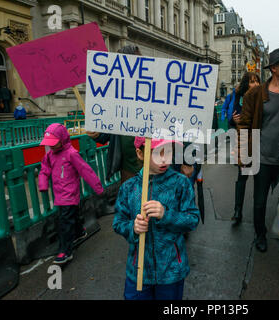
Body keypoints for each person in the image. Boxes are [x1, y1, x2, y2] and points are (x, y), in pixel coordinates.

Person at [113, 137, 200, 300]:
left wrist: (166, 215)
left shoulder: (180, 183)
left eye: (168, 152)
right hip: (138, 270)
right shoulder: (129, 187)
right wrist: (133, 227)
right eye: (156, 153)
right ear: (140, 153)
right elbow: (118, 222)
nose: (164, 159)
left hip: (171, 271)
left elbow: (192, 219)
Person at [238, 47, 279, 252]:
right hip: (262, 157)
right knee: (260, 201)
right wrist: (243, 151)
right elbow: (245, 124)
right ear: (274, 68)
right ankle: (260, 234)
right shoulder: (255, 94)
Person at [38, 123, 104, 264]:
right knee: (72, 216)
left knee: (65, 222)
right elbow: (44, 169)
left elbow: (85, 170)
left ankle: (65, 251)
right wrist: (43, 184)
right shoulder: (50, 155)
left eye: (54, 143)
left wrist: (97, 187)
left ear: (62, 139)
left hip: (69, 194)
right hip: (60, 194)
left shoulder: (71, 153)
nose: (51, 146)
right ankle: (79, 232)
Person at [86, 45, 144, 184]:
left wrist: (185, 162)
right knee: (131, 202)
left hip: (156, 165)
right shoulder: (115, 96)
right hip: (128, 169)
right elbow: (106, 134)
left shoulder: (156, 94)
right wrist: (97, 134)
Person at [228, 72, 261, 226]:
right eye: (251, 82)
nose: (254, 85)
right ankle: (237, 211)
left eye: (256, 81)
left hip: (259, 143)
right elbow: (234, 118)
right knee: (242, 177)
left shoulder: (263, 98)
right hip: (244, 142)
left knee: (259, 181)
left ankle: (257, 215)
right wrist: (233, 120)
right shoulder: (240, 98)